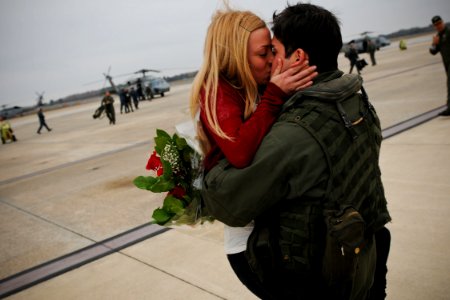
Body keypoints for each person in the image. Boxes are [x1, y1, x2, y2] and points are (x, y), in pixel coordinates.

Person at [201, 3, 391, 299]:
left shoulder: (294, 134)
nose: (270, 62)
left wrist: (208, 168)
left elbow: (227, 202)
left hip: (320, 274)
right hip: (366, 247)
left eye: (273, 52)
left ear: (299, 57)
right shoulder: (355, 98)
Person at [189, 8, 317, 299]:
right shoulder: (216, 91)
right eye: (264, 54)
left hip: (275, 233)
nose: (272, 60)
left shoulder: (254, 84)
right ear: (235, 55)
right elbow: (241, 153)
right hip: (252, 245)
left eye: (273, 50)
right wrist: (274, 95)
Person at [429, 15, 450, 116]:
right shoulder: (438, 36)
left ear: (443, 22)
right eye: (436, 25)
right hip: (447, 64)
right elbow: (432, 52)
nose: (438, 26)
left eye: (439, 23)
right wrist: (434, 44)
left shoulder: (449, 32)